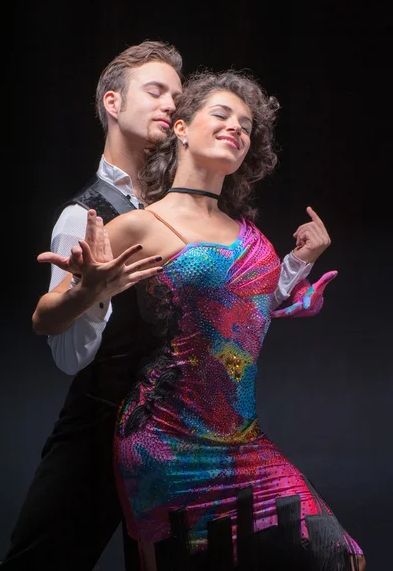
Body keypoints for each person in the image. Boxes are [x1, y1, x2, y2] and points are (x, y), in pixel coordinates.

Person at [87, 70, 365, 570]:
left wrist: (299, 277)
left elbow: (247, 311)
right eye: (221, 115)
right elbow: (55, 316)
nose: (237, 128)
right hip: (165, 439)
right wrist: (88, 286)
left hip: (242, 441)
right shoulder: (139, 223)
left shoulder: (251, 235)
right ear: (181, 129)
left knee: (339, 558)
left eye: (246, 125)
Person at [0, 40, 183, 571]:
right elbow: (68, 358)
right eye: (155, 90)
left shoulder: (177, 208)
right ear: (113, 103)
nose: (171, 103)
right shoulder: (83, 217)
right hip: (97, 434)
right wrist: (90, 292)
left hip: (169, 434)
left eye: (177, 94)